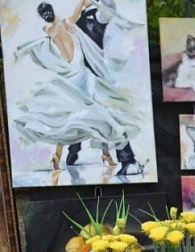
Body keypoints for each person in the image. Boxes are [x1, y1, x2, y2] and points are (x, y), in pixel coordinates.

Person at [13, 0, 138, 173]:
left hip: (70, 72)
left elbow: (64, 52)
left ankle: (80, 152)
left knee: (74, 113)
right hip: (80, 71)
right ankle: (112, 154)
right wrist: (83, 4)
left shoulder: (48, 31)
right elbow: (79, 11)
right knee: (91, 113)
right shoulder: (67, 22)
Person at [66, 0, 140, 176]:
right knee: (77, 113)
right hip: (81, 73)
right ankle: (74, 149)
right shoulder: (81, 14)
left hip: (97, 74)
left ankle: (128, 159)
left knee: (110, 116)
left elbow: (110, 9)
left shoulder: (98, 15)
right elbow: (69, 26)